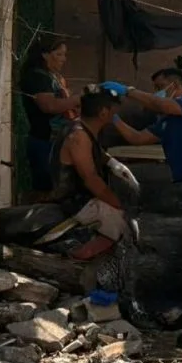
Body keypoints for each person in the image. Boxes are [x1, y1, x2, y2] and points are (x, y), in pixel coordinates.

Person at [50, 86, 129, 261]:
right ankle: (80, 258)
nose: (116, 112)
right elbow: (91, 179)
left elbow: (99, 154)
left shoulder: (83, 128)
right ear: (103, 112)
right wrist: (117, 203)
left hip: (83, 196)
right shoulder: (79, 136)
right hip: (76, 201)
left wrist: (115, 164)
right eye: (113, 109)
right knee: (121, 222)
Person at [102, 69, 182, 184]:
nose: (157, 92)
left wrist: (128, 91)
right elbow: (137, 138)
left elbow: (159, 104)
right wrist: (113, 117)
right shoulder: (166, 120)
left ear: (175, 85)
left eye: (160, 87)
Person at [19, 34, 79, 196]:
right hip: (45, 141)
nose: (63, 59)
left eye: (64, 54)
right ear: (44, 55)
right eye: (59, 54)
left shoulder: (55, 77)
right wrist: (77, 99)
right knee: (46, 191)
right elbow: (49, 106)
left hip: (59, 141)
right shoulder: (37, 77)